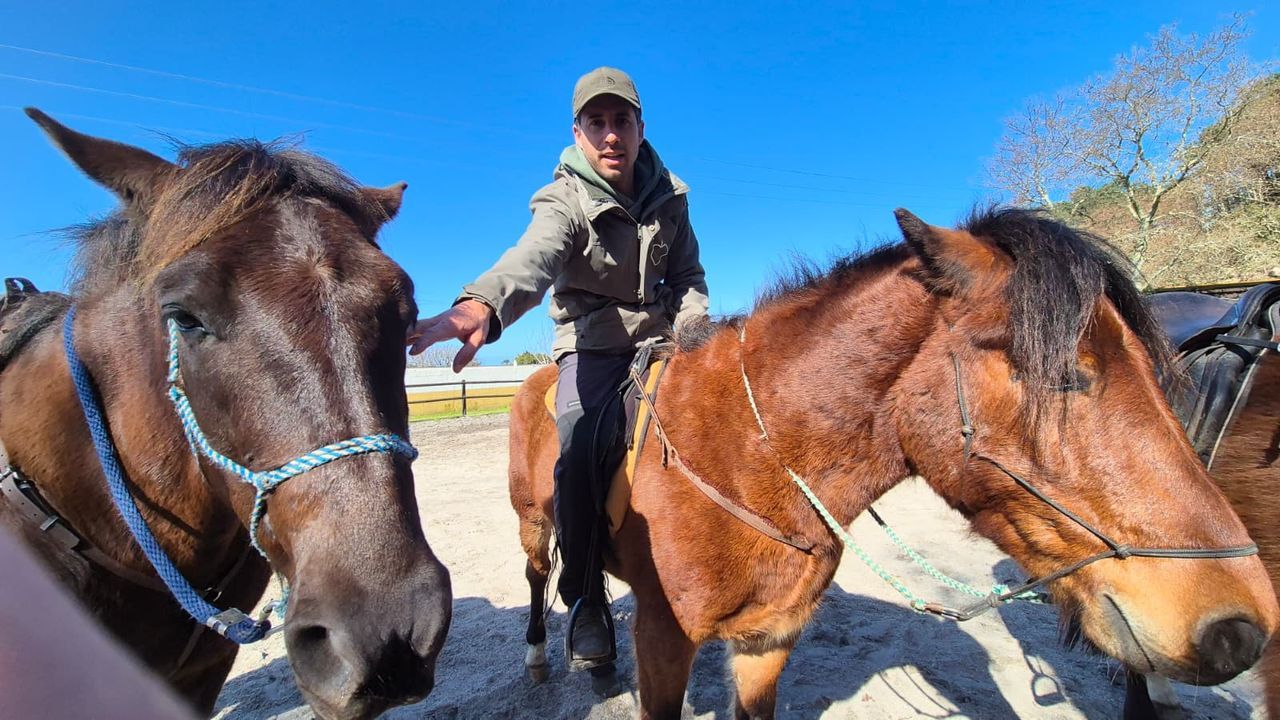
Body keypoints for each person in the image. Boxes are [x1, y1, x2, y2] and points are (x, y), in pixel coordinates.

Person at [408, 67, 708, 671]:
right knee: (576, 444)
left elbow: (690, 278)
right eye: (596, 123)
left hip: (664, 341)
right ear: (578, 131)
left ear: (640, 127)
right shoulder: (564, 198)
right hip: (592, 346)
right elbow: (534, 257)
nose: (610, 135)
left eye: (621, 120)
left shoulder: (672, 199)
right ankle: (588, 600)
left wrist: (692, 326)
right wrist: (483, 304)